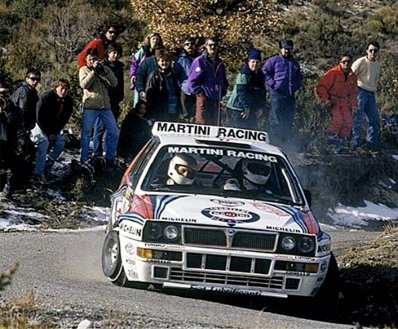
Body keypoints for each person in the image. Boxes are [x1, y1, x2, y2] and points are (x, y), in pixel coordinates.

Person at [79, 48, 119, 167]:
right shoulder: (84, 70)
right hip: (90, 106)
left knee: (113, 132)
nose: (92, 62)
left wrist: (104, 71)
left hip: (105, 106)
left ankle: (110, 158)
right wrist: (93, 72)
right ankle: (84, 159)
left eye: (94, 59)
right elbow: (84, 84)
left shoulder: (105, 69)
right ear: (86, 60)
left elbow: (114, 83)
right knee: (86, 133)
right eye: (90, 60)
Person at [30, 79, 73, 184]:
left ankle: (47, 166)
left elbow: (64, 119)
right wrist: (48, 132)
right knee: (44, 142)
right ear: (56, 87)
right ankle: (38, 173)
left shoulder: (68, 101)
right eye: (62, 88)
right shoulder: (46, 97)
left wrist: (55, 131)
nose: (64, 92)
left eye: (66, 89)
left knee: (60, 143)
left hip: (54, 128)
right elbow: (38, 116)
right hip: (39, 124)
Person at [262, 39, 303, 145]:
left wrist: (296, 86)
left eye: (289, 49)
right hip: (277, 95)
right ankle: (274, 143)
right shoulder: (273, 60)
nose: (287, 51)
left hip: (289, 95)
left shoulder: (294, 63)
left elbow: (299, 76)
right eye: (285, 49)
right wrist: (273, 84)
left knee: (288, 120)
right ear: (281, 49)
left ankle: (285, 143)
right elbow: (264, 72)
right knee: (275, 120)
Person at [316, 54, 358, 154]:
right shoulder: (333, 73)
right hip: (333, 100)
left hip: (344, 101)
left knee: (348, 122)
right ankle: (331, 143)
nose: (346, 64)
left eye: (348, 62)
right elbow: (321, 86)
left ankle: (341, 143)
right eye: (344, 61)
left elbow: (353, 93)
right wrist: (326, 100)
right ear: (340, 62)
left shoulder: (352, 76)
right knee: (337, 121)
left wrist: (354, 105)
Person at [9, 68, 41, 187]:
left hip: (22, 128)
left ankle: (20, 181)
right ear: (27, 79)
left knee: (28, 152)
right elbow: (22, 111)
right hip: (18, 128)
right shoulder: (25, 91)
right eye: (33, 79)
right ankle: (16, 183)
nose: (35, 81)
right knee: (22, 154)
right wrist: (25, 128)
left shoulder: (30, 91)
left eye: (37, 79)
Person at [93, 42, 124, 157]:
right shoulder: (101, 65)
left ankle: (109, 154)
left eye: (118, 53)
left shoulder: (120, 67)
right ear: (108, 53)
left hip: (115, 101)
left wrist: (120, 97)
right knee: (99, 129)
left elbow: (120, 85)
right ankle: (97, 153)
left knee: (112, 130)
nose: (115, 55)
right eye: (113, 52)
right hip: (102, 101)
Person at [188, 37, 228, 125]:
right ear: (206, 46)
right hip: (204, 98)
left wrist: (223, 91)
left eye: (215, 45)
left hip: (216, 99)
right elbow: (192, 81)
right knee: (202, 124)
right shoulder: (200, 61)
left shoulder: (220, 63)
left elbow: (223, 80)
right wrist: (200, 93)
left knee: (215, 125)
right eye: (210, 45)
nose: (213, 47)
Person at [351, 41, 381, 153]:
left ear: (378, 52)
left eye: (375, 50)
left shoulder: (377, 65)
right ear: (367, 51)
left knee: (374, 120)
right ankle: (355, 143)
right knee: (357, 117)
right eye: (371, 50)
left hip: (371, 93)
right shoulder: (360, 62)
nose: (373, 52)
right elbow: (351, 76)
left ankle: (371, 144)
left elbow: (375, 80)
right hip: (360, 91)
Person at [226, 48, 266, 129]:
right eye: (253, 62)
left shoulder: (260, 75)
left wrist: (260, 107)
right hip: (237, 108)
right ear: (248, 62)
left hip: (251, 109)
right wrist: (246, 108)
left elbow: (261, 93)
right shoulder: (244, 74)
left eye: (257, 62)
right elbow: (242, 92)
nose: (255, 64)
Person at [0, 81, 24, 198]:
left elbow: (16, 122)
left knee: (17, 167)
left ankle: (7, 192)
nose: (3, 96)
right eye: (1, 93)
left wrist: (5, 110)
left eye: (6, 93)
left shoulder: (14, 109)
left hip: (7, 144)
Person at [145, 49, 181, 122]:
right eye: (162, 61)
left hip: (173, 109)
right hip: (160, 111)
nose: (164, 63)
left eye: (167, 60)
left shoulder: (173, 74)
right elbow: (149, 95)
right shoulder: (154, 75)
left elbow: (177, 92)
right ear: (158, 62)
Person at [130, 33, 164, 105]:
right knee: (139, 101)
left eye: (157, 39)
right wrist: (133, 74)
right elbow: (134, 62)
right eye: (153, 39)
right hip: (142, 77)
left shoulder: (161, 51)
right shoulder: (143, 50)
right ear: (149, 40)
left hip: (155, 80)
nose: (155, 41)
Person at [174, 37, 199, 122]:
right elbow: (175, 74)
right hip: (185, 90)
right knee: (185, 114)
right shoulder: (180, 59)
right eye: (187, 44)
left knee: (196, 115)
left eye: (192, 44)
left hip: (198, 90)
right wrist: (179, 86)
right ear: (183, 46)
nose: (189, 46)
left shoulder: (201, 59)